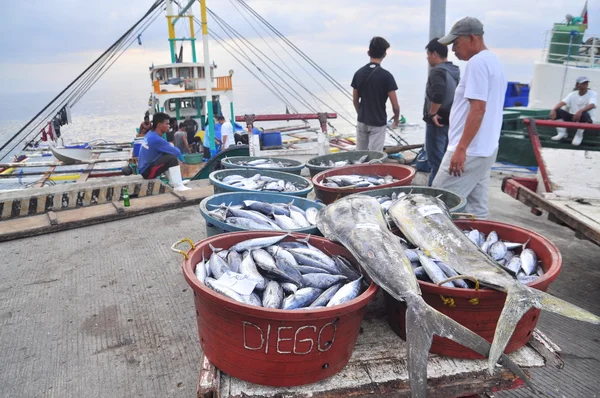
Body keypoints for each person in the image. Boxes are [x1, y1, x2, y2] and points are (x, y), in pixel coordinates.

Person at [432, 17, 507, 219]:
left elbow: (478, 109)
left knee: (436, 203)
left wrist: (461, 148)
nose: (453, 50)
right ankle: (475, 247)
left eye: (456, 43)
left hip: (469, 151)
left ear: (472, 38)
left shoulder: (477, 63)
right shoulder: (495, 62)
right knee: (476, 210)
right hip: (486, 149)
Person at [351, 36, 400, 151]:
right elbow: (395, 105)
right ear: (384, 54)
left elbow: (355, 100)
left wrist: (361, 113)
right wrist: (396, 118)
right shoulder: (387, 76)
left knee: (360, 155)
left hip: (362, 120)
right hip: (378, 122)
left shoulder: (358, 73)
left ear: (368, 52)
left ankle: (359, 169)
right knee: (375, 157)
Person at [423, 38, 461, 185]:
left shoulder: (437, 72)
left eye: (428, 54)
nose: (427, 58)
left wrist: (432, 113)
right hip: (450, 121)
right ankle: (448, 189)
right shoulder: (454, 71)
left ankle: (434, 194)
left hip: (437, 122)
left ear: (434, 54)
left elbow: (438, 94)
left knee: (435, 162)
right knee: (445, 159)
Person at [138, 112, 191, 191]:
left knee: (167, 154)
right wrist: (182, 160)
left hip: (144, 169)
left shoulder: (150, 133)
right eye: (167, 124)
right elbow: (177, 152)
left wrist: (170, 146)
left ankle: (174, 182)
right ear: (159, 125)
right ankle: (178, 186)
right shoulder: (156, 139)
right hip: (148, 172)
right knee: (172, 158)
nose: (169, 126)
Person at [550, 76, 597, 146]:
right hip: (573, 117)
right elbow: (562, 103)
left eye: (586, 83)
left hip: (586, 118)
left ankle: (579, 135)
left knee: (584, 114)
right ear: (577, 85)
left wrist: (580, 111)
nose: (585, 85)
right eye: (582, 83)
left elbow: (592, 105)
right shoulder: (572, 94)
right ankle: (561, 132)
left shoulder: (592, 93)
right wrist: (553, 109)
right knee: (557, 111)